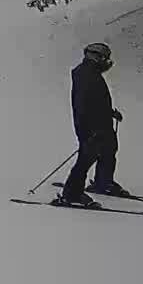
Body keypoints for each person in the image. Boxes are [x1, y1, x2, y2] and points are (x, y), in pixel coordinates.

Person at [56, 42, 128, 205]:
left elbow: (97, 101)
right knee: (86, 158)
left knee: (109, 149)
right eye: (105, 58)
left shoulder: (92, 73)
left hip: (101, 124)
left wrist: (110, 113)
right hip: (91, 127)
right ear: (97, 57)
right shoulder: (85, 75)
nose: (107, 62)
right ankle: (72, 194)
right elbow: (83, 105)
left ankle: (104, 183)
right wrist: (90, 129)